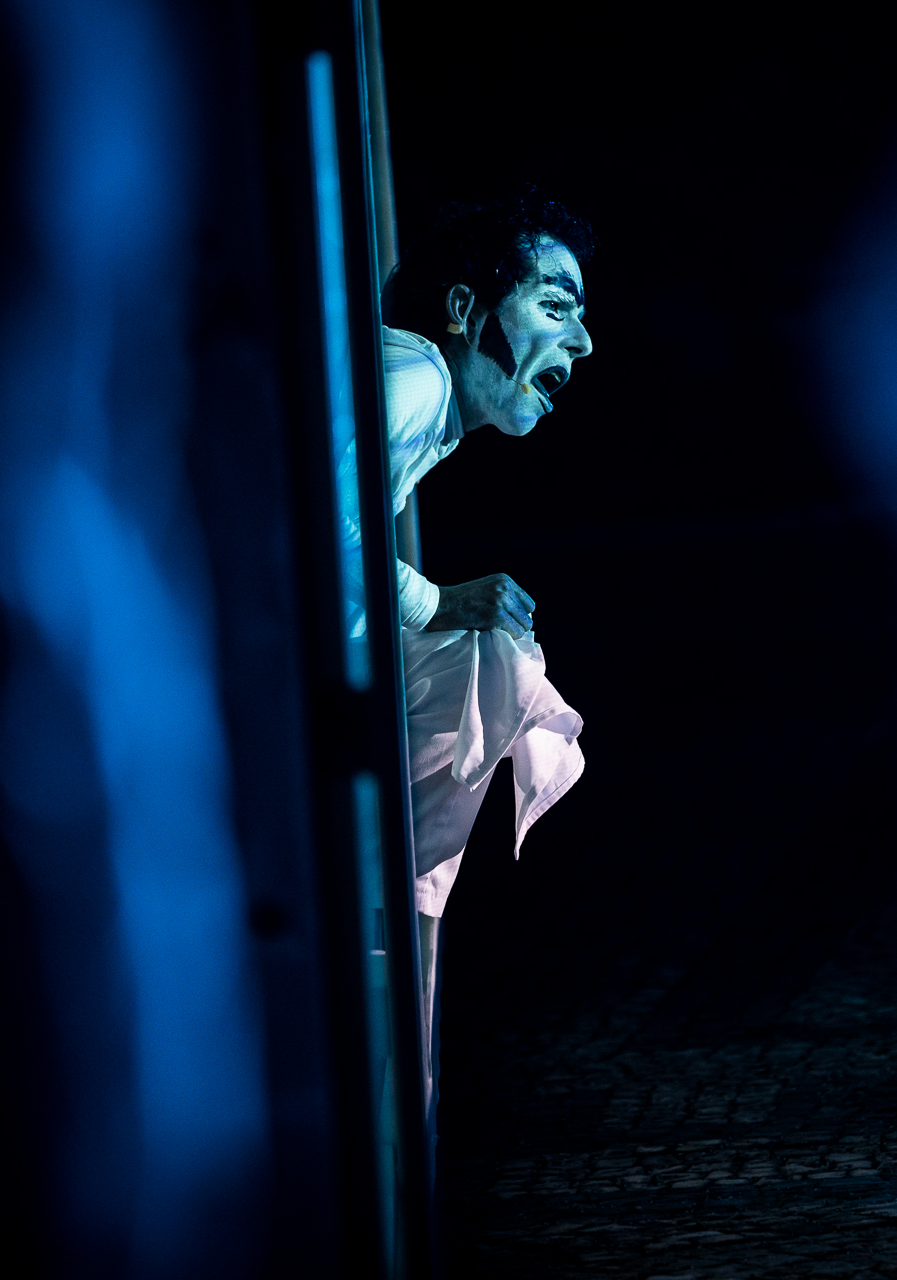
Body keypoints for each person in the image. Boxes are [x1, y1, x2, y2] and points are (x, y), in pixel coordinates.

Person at [364, 190, 595, 1094]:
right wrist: (436, 602)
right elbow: (297, 524)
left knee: (491, 662)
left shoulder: (415, 395)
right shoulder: (415, 382)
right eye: (555, 306)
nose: (583, 344)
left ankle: (397, 920)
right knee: (490, 661)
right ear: (464, 309)